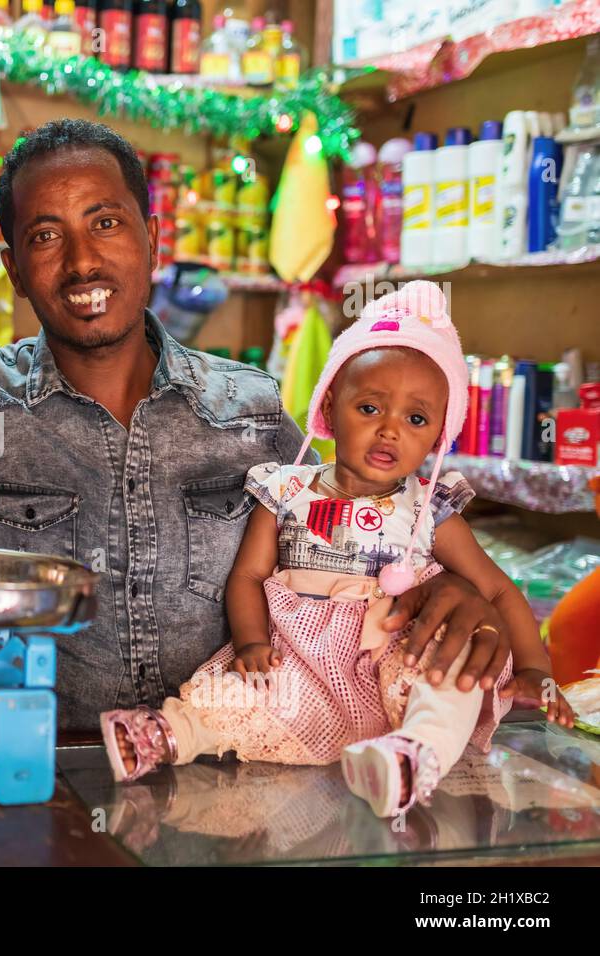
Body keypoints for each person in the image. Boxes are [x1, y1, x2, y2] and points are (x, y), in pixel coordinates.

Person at [0, 119, 514, 730]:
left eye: (106, 223)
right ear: (12, 270)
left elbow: (364, 527)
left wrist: (442, 587)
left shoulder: (254, 414)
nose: (81, 262)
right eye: (46, 235)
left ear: (153, 236)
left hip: (233, 771)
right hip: (38, 780)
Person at [102, 281, 575, 817]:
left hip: (399, 657)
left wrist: (535, 669)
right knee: (241, 696)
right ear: (329, 405)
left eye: (416, 419)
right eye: (370, 407)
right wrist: (253, 641)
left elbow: (496, 589)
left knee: (452, 676)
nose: (389, 431)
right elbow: (248, 577)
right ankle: (165, 737)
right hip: (302, 659)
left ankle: (410, 757)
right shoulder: (285, 491)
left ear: (440, 435)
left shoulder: (430, 512)